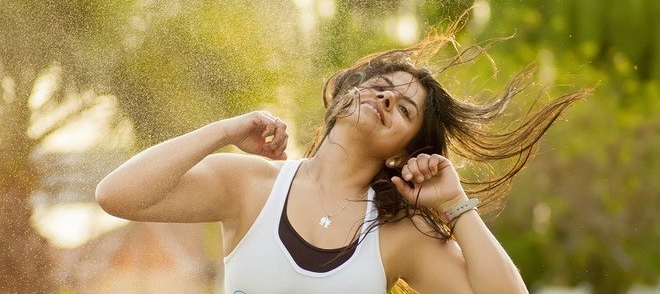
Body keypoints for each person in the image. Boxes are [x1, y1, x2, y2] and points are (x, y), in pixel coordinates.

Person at [96, 20, 589, 293]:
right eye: (380, 88)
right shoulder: (250, 185)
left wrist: (456, 204)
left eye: (403, 109)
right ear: (346, 94)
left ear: (404, 152)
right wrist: (226, 130)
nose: (385, 100)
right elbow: (116, 195)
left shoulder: (399, 236)